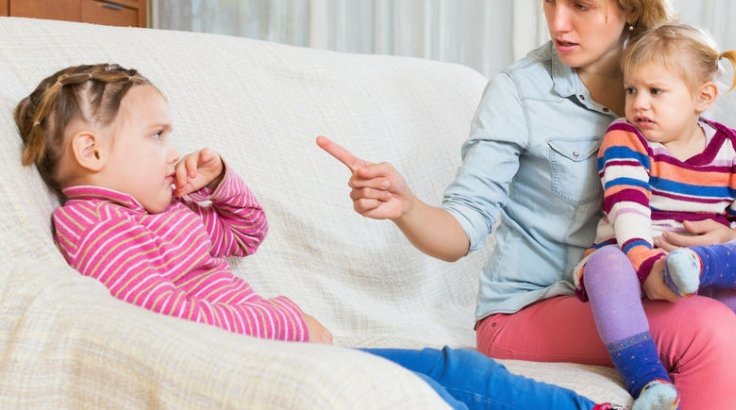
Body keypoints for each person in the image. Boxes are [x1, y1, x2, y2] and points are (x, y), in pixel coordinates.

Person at [317, 0, 736, 410]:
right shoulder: (520, 93)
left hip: (655, 284)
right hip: (537, 307)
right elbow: (463, 227)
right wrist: (407, 206)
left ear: (631, 5)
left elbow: (722, 192)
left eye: (581, 5)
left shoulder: (670, 72)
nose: (558, 23)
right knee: (706, 328)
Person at [14, 62, 623, 410]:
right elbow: (157, 312)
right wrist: (288, 324)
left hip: (293, 348)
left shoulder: (168, 204)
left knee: (458, 368)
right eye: (157, 136)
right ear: (90, 151)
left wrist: (221, 184)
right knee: (433, 396)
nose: (171, 151)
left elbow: (245, 235)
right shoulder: (93, 224)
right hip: (260, 366)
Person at [572, 23, 736, 409]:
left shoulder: (733, 148)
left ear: (703, 96)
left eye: (655, 91)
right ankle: (648, 380)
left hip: (702, 284)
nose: (639, 102)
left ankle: (695, 263)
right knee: (604, 264)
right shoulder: (626, 137)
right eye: (632, 90)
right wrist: (647, 265)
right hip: (636, 277)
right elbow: (628, 210)